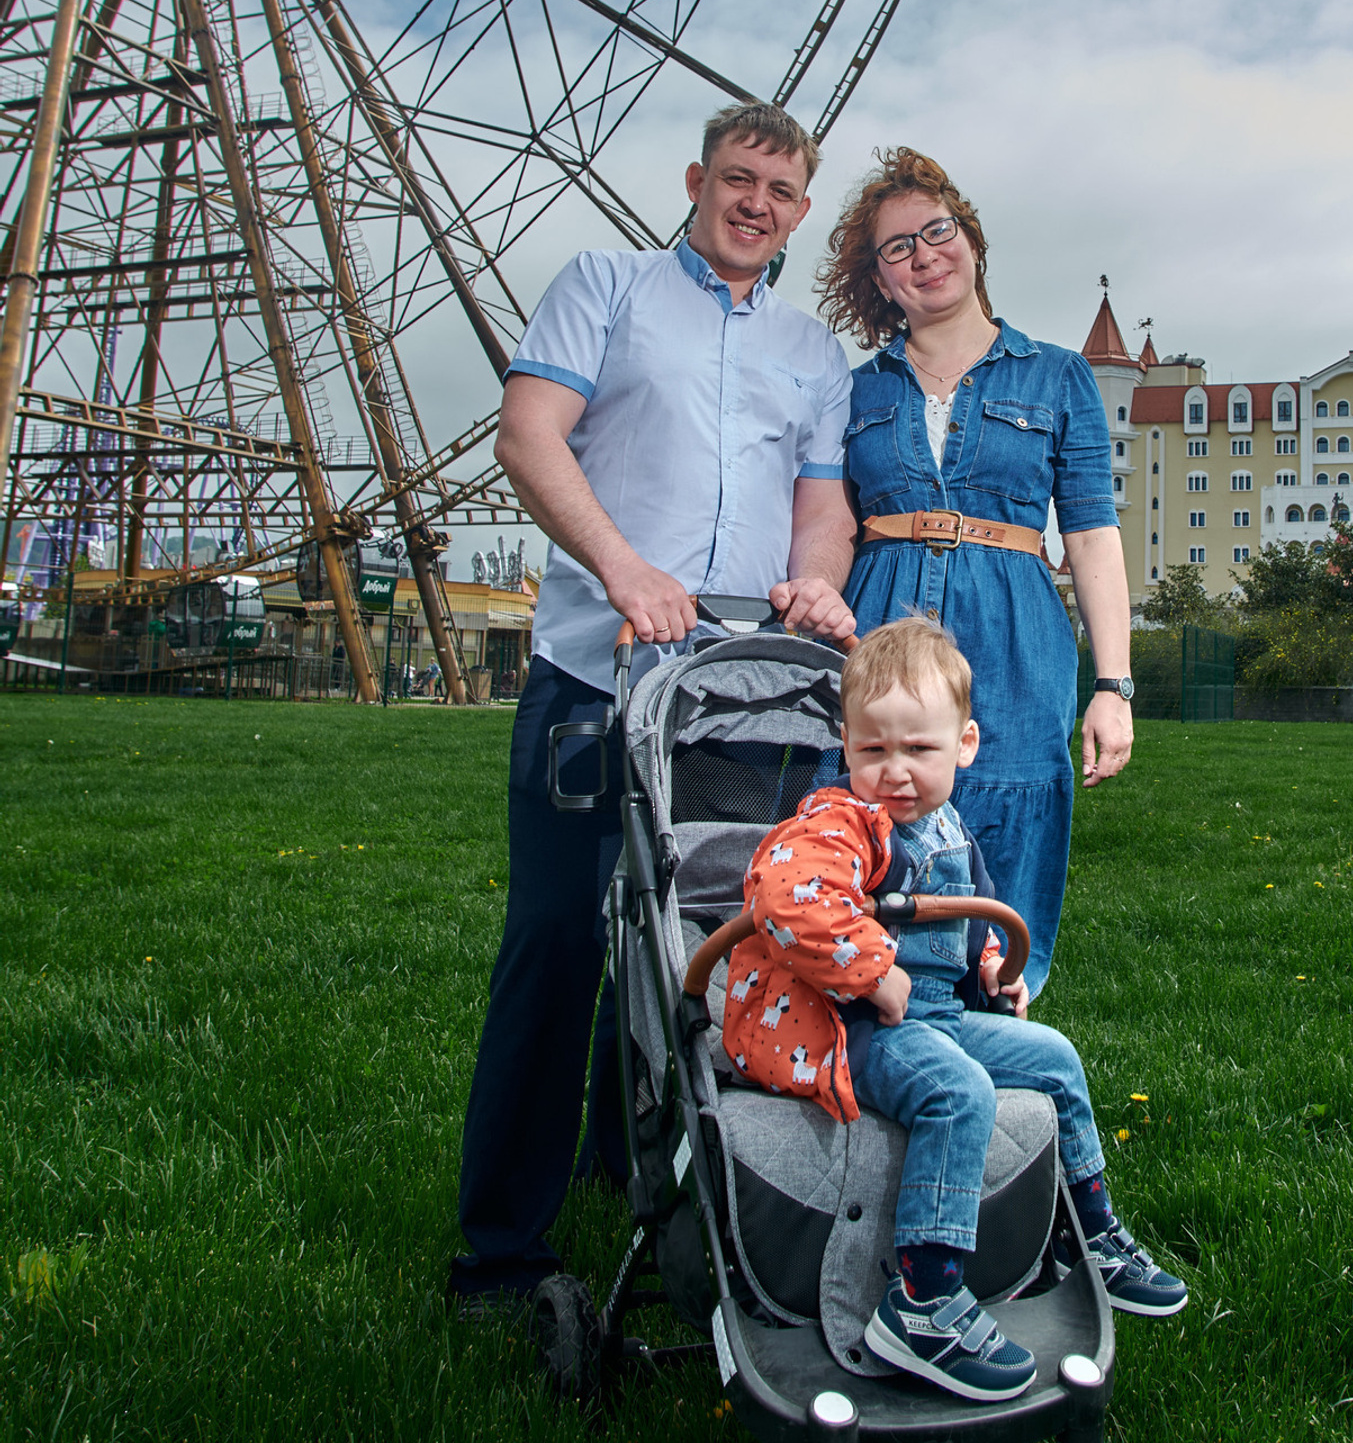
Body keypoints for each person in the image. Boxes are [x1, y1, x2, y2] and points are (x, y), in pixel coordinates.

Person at [449, 101, 859, 1307]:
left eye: (779, 192)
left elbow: (821, 505)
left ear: (800, 209)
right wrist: (624, 569)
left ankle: (645, 1166)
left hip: (732, 703)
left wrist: (816, 582)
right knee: (558, 942)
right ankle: (501, 1245)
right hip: (597, 674)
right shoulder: (606, 286)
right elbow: (530, 435)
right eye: (738, 180)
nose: (755, 205)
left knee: (696, 942)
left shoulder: (813, 350)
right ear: (696, 180)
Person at [723, 617, 1186, 1403]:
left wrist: (994, 969)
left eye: (919, 749)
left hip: (936, 1016)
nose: (895, 771)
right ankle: (925, 1299)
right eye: (874, 750)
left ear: (964, 745)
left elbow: (967, 918)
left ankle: (1090, 1233)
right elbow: (785, 895)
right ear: (846, 746)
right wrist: (872, 973)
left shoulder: (947, 828)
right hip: (856, 1026)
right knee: (959, 1092)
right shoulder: (842, 820)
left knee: (1053, 1057)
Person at [815, 149, 1134, 997]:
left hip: (1017, 636)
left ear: (971, 240)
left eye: (937, 231)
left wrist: (1114, 685)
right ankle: (875, 1020)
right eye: (898, 248)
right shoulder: (852, 391)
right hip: (878, 624)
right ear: (880, 280)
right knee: (868, 829)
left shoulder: (1058, 375)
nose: (924, 255)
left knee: (1014, 821)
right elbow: (828, 523)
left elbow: (1092, 537)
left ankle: (997, 1023)